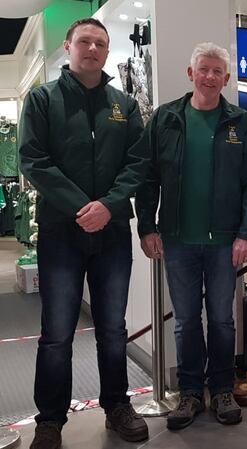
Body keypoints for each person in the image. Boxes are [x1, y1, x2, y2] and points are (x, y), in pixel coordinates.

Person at [18, 17, 149, 449]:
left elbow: (137, 164)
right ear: (69, 48)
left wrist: (108, 206)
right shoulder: (42, 100)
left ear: (107, 53)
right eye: (85, 41)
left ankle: (117, 406)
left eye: (100, 43)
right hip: (61, 233)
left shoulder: (124, 106)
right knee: (56, 332)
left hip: (112, 233)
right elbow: (34, 160)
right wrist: (81, 207)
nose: (92, 48)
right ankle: (50, 421)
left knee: (113, 326)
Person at [135, 42, 247, 430]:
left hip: (226, 242)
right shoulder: (165, 120)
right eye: (203, 70)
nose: (210, 77)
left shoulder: (241, 123)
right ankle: (190, 392)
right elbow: (147, 177)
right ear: (191, 74)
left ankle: (222, 389)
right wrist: (146, 225)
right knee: (186, 320)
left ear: (226, 78)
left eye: (217, 72)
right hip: (178, 240)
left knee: (223, 321)